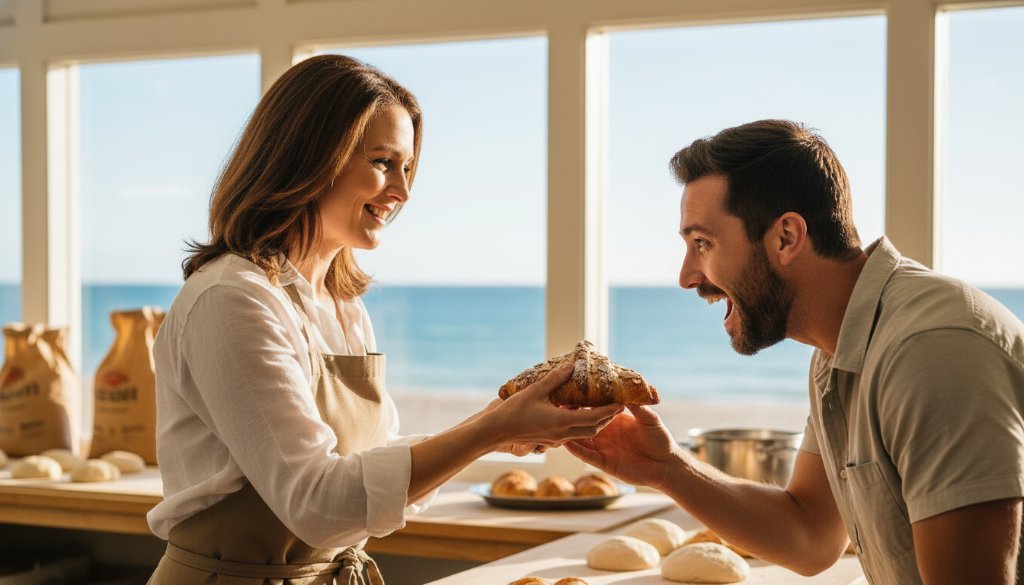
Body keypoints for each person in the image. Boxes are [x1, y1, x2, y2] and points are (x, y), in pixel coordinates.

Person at [146, 54, 622, 584]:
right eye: (382, 162)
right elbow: (318, 504)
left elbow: (366, 470)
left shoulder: (342, 306)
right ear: (309, 157)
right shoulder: (231, 299)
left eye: (408, 168)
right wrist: (488, 431)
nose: (402, 191)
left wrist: (490, 430)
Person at [566, 119, 1024, 584]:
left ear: (786, 237)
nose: (687, 276)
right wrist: (667, 469)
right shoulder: (839, 351)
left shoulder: (930, 350)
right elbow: (810, 535)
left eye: (703, 243)